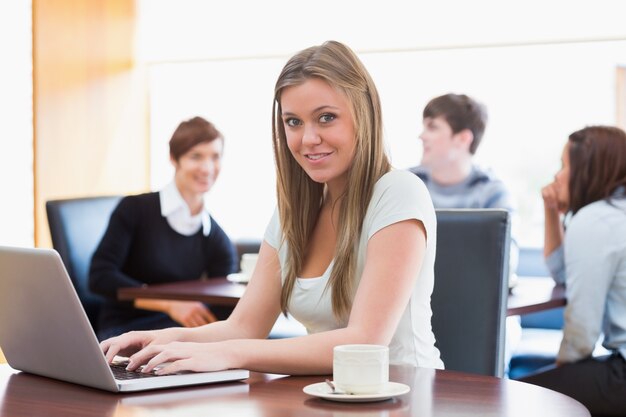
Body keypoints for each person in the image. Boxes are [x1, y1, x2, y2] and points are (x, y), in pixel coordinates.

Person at [99, 40, 444, 376]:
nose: (307, 138)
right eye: (293, 122)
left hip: (406, 394)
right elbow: (245, 326)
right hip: (328, 396)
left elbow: (365, 341)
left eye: (326, 118)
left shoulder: (398, 192)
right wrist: (160, 339)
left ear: (364, 114)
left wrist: (226, 354)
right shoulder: (294, 212)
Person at [89, 116, 238, 341]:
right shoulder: (134, 209)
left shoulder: (216, 238)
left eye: (215, 157)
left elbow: (221, 299)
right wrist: (170, 304)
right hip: (125, 328)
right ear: (174, 159)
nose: (207, 168)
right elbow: (100, 277)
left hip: (177, 332)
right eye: (196, 156)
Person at [519, 126, 626, 416]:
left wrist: (562, 378)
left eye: (564, 165)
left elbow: (581, 331)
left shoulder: (596, 220)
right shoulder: (612, 214)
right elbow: (563, 273)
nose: (557, 175)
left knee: (514, 397)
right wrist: (551, 211)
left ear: (588, 170)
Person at [408, 93, 520, 369]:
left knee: (499, 335)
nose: (422, 136)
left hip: (475, 310)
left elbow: (506, 261)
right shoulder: (407, 184)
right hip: (415, 304)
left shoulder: (492, 191)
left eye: (432, 127)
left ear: (463, 138)